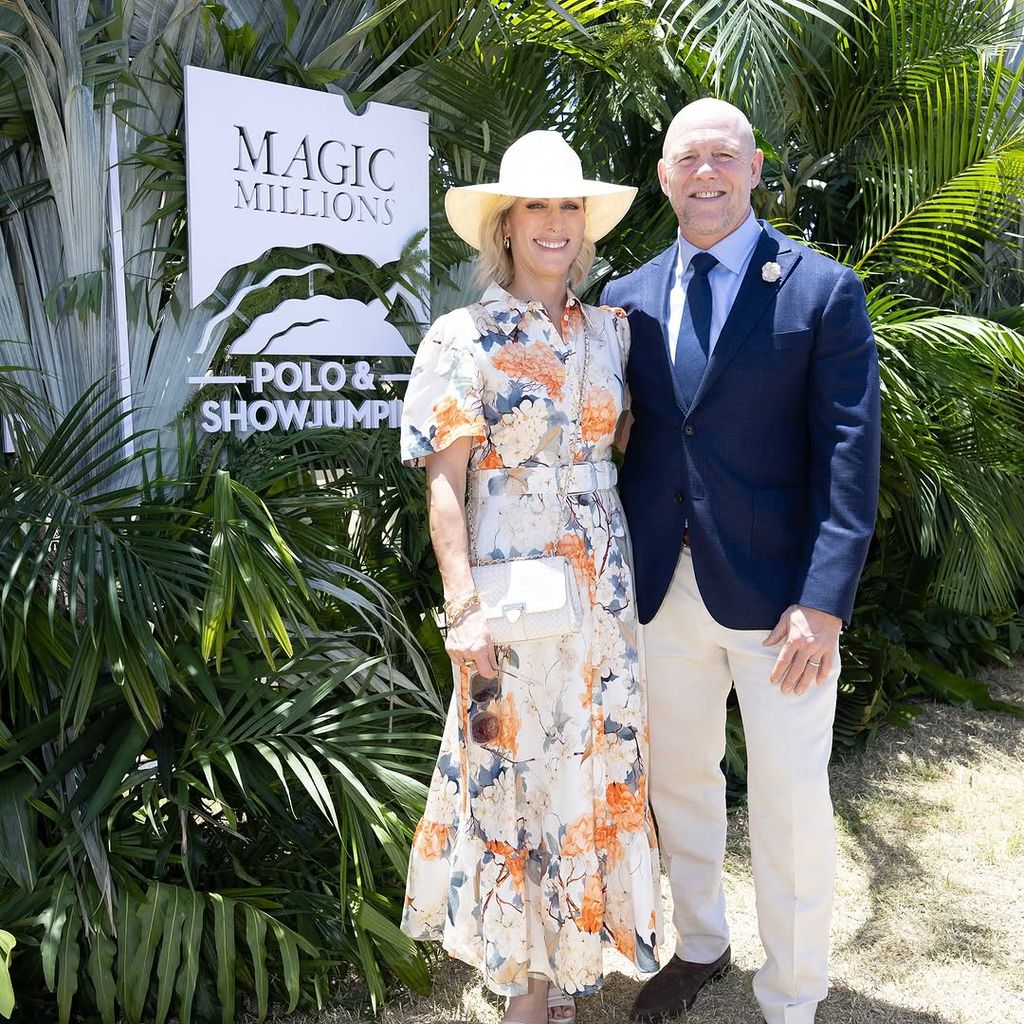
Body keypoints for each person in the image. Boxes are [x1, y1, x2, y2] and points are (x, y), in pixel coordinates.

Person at [600, 98, 881, 1024]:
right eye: (689, 159)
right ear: (664, 177)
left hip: (781, 606)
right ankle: (700, 945)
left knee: (792, 802)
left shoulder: (820, 290)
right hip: (661, 592)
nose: (707, 174)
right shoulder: (628, 299)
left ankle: (793, 993)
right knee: (679, 781)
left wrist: (824, 600)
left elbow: (850, 452)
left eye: (724, 156)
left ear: (756, 167)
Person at [399, 130, 662, 1024]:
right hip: (511, 600)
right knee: (516, 775)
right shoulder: (461, 337)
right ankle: (527, 989)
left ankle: (566, 984)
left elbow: (636, 444)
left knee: (588, 777)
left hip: (603, 599)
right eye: (535, 208)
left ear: (584, 226)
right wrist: (460, 607)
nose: (554, 224)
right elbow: (446, 486)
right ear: (504, 228)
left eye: (568, 207)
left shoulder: (612, 335)